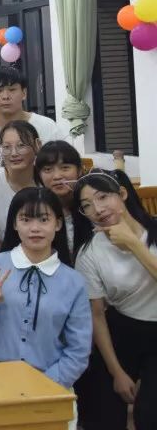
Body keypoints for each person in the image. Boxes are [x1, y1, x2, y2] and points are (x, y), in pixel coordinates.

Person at [0, 187, 91, 388]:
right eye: (26, 220)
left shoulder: (74, 281)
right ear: (14, 224)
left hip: (50, 382)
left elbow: (79, 349)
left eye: (44, 220)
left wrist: (46, 385)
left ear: (58, 224)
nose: (35, 228)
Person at [73, 171, 157, 430]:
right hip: (123, 329)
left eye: (102, 197)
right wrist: (117, 372)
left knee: (149, 416)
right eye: (87, 205)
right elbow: (96, 314)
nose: (97, 209)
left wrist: (135, 244)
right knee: (104, 413)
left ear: (122, 194)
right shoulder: (89, 253)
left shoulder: (152, 231)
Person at [0, 66, 66, 187]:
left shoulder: (47, 126)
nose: (6, 96)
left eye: (12, 90)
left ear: (24, 93)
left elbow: (63, 169)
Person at [34, 140, 84, 251]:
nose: (57, 176)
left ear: (80, 170)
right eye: (48, 169)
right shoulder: (35, 210)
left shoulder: (92, 205)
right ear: (39, 175)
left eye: (65, 168)